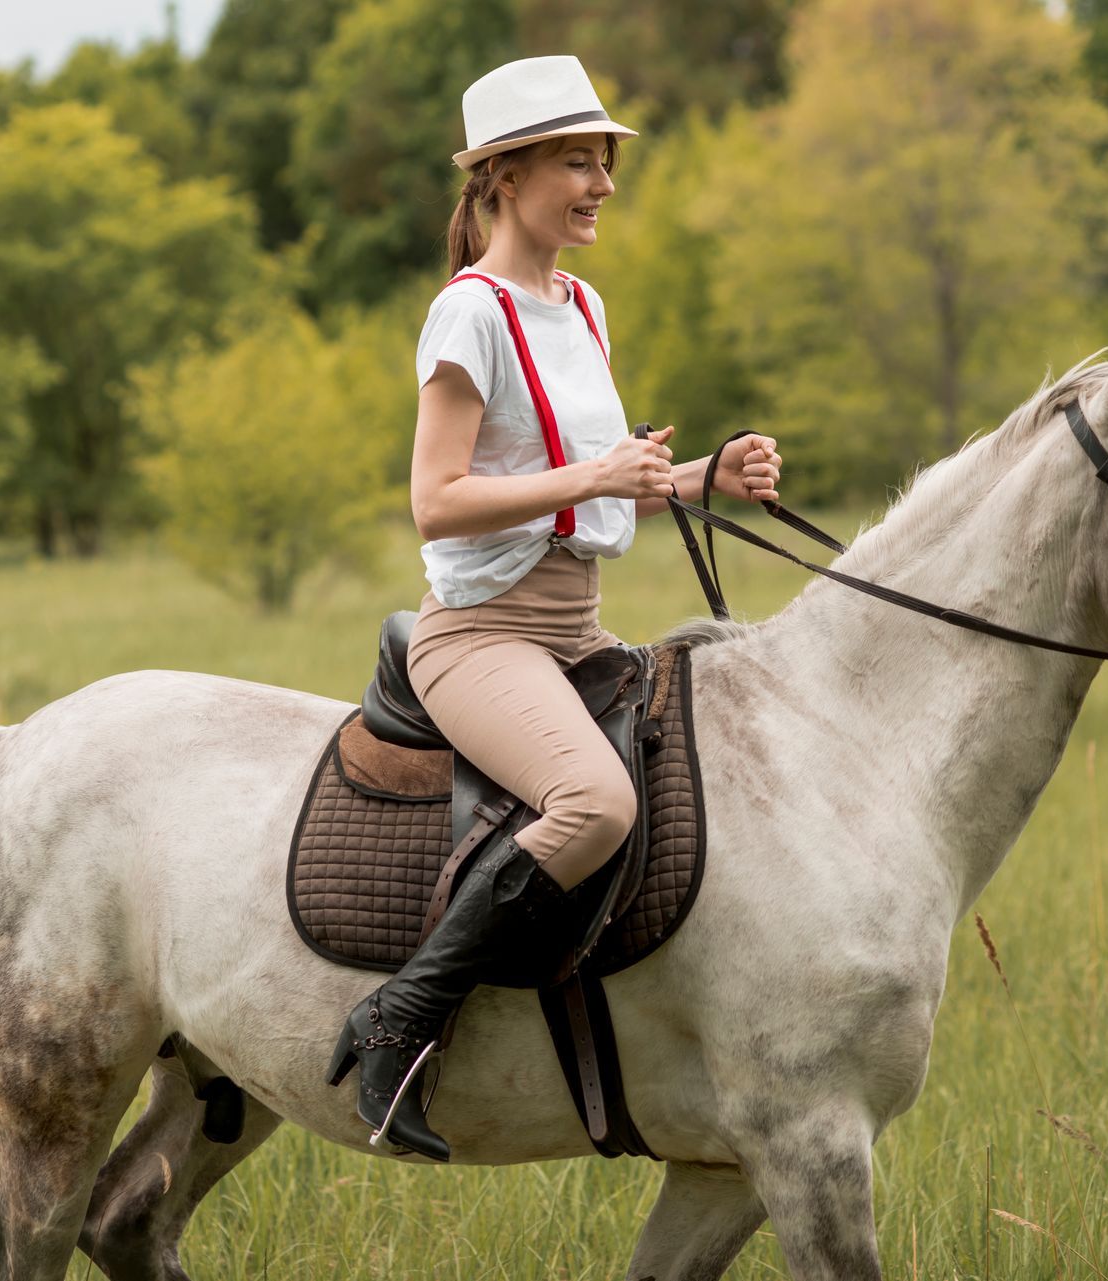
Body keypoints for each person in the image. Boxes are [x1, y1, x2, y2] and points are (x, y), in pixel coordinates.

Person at [326, 54, 782, 1162]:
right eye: (579, 162)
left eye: (605, 162)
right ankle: (398, 1021)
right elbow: (437, 503)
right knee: (596, 803)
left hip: (578, 627)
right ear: (506, 175)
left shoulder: (584, 305)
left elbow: (594, 482)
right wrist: (595, 478)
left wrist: (699, 478)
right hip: (481, 639)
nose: (602, 184)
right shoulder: (465, 316)